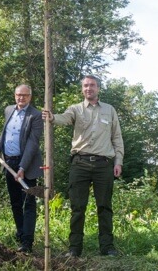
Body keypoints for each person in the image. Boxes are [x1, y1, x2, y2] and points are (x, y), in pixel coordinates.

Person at [42, 75, 124, 257]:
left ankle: (107, 247)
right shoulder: (76, 109)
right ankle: (74, 248)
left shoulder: (109, 110)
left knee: (105, 207)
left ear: (98, 88)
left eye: (92, 85)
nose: (89, 88)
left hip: (104, 165)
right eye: (85, 86)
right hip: (80, 164)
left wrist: (118, 161)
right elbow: (64, 118)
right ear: (82, 89)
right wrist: (52, 117)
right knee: (78, 207)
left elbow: (117, 137)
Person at [0, 84, 44, 253]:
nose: (21, 98)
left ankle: (28, 242)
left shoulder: (35, 115)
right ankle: (21, 234)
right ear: (15, 95)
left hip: (26, 164)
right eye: (18, 95)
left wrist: (22, 167)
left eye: (25, 95)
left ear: (30, 96)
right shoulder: (8, 110)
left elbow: (33, 143)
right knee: (15, 202)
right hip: (8, 163)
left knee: (28, 202)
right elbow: (5, 132)